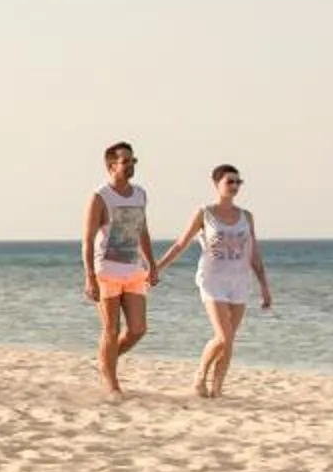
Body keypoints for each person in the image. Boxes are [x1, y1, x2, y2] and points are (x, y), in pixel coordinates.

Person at [153, 163, 272, 397]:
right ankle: (200, 376)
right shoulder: (205, 213)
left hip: (239, 281)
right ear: (216, 184)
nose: (235, 186)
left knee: (229, 341)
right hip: (212, 281)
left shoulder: (246, 217)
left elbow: (253, 253)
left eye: (239, 182)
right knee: (223, 336)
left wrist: (264, 287)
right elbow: (180, 244)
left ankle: (217, 389)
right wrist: (157, 268)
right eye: (230, 181)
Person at [82, 141, 160, 398]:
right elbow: (87, 238)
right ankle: (112, 384)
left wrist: (152, 263)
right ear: (111, 165)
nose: (130, 165)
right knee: (111, 329)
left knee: (138, 329)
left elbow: (143, 230)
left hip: (133, 269)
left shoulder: (140, 194)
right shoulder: (100, 197)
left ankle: (106, 361)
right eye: (125, 161)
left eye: (132, 161)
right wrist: (89, 278)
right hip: (106, 270)